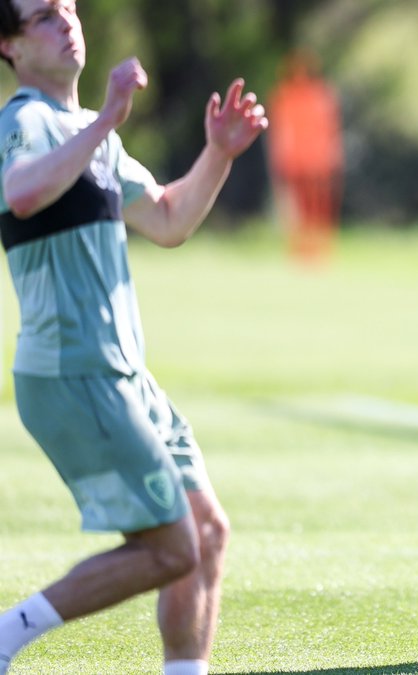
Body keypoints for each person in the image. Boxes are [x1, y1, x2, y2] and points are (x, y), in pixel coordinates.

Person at [0, 1, 267, 674]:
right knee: (173, 548)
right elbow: (22, 193)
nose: (66, 22)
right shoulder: (25, 121)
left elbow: (170, 219)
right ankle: (6, 634)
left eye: (68, 8)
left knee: (206, 533)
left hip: (125, 376)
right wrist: (107, 121)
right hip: (72, 372)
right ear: (10, 48)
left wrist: (218, 153)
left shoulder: (95, 135)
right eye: (43, 17)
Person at [266, 49, 342, 264]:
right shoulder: (283, 96)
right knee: (296, 208)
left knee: (319, 207)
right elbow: (280, 133)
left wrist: (332, 157)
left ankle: (320, 251)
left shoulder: (322, 96)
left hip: (317, 161)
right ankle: (299, 252)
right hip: (294, 162)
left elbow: (330, 130)